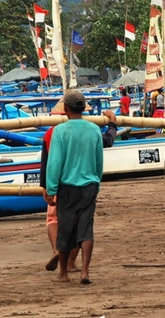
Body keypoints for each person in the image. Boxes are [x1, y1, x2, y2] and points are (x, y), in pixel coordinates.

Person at [41, 102, 118, 273]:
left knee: (62, 226)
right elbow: (100, 157)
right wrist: (97, 182)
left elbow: (51, 162)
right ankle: (84, 270)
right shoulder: (93, 130)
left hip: (65, 186)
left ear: (65, 110)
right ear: (84, 109)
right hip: (88, 185)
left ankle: (62, 270)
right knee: (85, 228)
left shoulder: (56, 132)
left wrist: (49, 188)